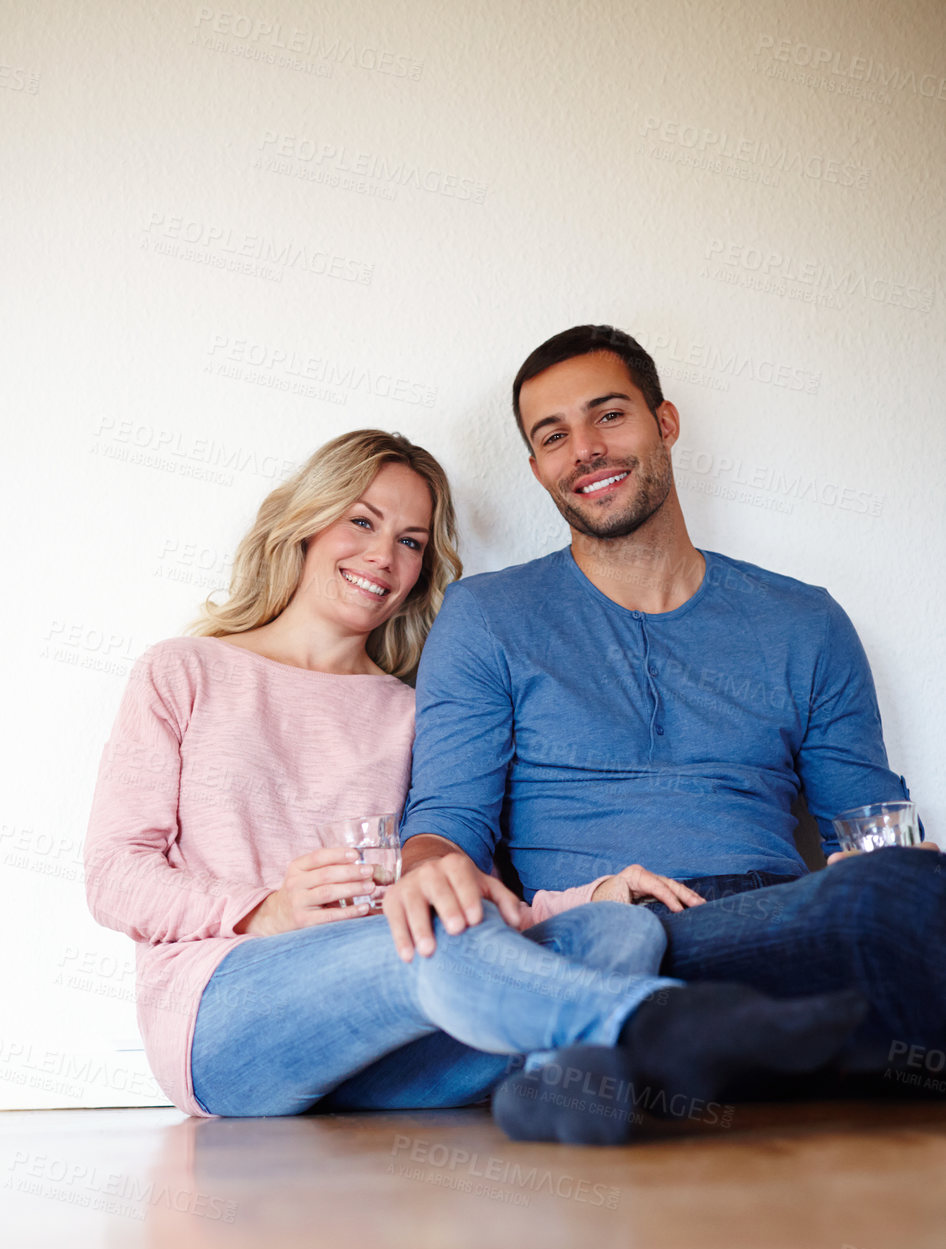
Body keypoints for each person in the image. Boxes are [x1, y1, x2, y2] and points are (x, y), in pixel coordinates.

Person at [84, 429, 865, 1142]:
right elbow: (115, 877)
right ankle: (665, 1026)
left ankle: (559, 1089)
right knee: (423, 948)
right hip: (228, 1018)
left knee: (623, 935)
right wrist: (265, 910)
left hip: (390, 1051)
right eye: (361, 521)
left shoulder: (408, 711)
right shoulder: (184, 672)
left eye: (411, 540)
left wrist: (589, 896)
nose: (384, 557)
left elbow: (450, 893)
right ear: (304, 521)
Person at [387, 326, 943, 1129]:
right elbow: (448, 827)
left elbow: (866, 826)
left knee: (897, 898)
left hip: (781, 920)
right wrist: (427, 868)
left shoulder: (805, 621)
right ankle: (696, 1049)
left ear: (665, 423)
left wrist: (908, 871)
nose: (584, 449)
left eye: (609, 415)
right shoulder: (487, 617)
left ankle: (643, 1069)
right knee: (876, 921)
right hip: (609, 928)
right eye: (553, 436)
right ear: (538, 468)